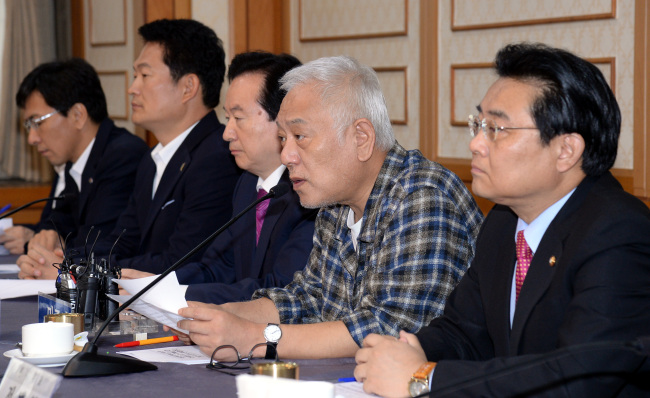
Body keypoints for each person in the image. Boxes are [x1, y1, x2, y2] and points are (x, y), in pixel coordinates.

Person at [354, 43, 650, 397]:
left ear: (566, 151)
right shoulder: (504, 222)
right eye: (478, 124)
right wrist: (409, 350)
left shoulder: (618, 232)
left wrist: (424, 377)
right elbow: (464, 332)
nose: (476, 144)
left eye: (496, 129)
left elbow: (578, 380)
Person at [175, 56, 483, 361]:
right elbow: (308, 298)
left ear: (361, 138)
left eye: (299, 137)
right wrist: (224, 316)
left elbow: (389, 329)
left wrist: (253, 337)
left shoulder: (423, 198)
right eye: (283, 138)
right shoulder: (336, 202)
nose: (286, 156)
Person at [17, 19, 240, 279]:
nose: (132, 88)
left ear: (188, 87)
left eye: (144, 76)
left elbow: (178, 262)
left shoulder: (218, 158)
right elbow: (120, 243)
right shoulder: (152, 159)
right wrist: (62, 262)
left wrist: (78, 273)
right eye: (135, 76)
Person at [121, 51, 317, 304]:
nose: (227, 133)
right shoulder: (247, 185)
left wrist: (174, 294)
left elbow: (280, 288)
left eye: (238, 118)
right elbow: (218, 268)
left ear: (283, 119)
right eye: (227, 118)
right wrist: (153, 284)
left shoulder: (309, 193)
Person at [1, 58, 147, 256]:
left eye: (37, 123)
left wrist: (36, 245)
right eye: (29, 126)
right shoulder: (70, 161)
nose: (32, 139)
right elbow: (54, 226)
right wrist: (34, 235)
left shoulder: (123, 156)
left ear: (78, 115)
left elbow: (98, 244)